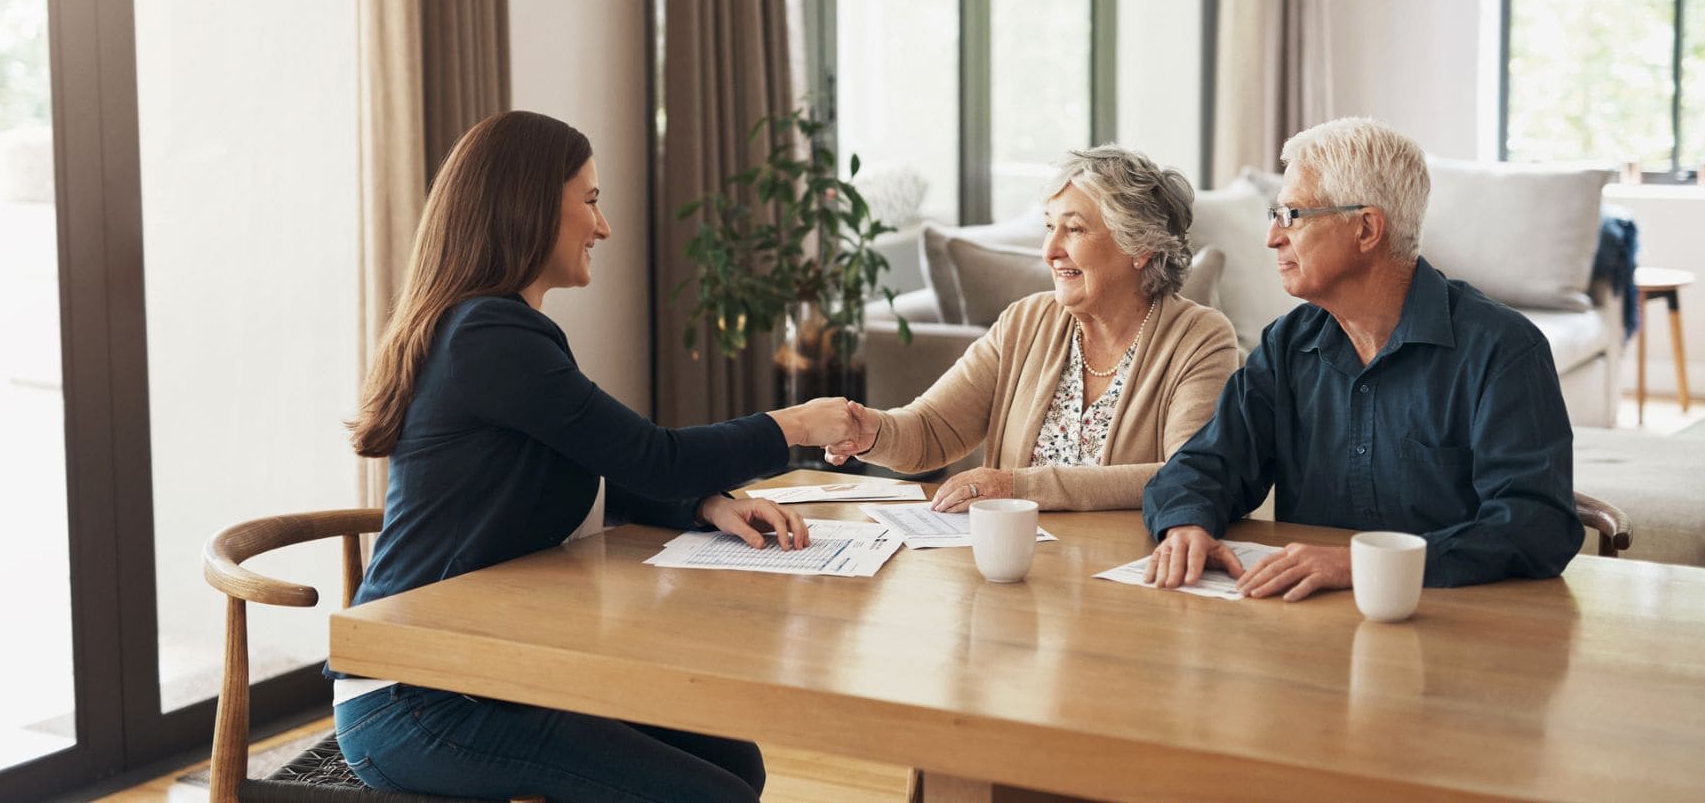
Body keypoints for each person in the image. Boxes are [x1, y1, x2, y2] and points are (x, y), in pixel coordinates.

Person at [331, 110, 860, 802]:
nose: (604, 228)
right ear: (527, 206)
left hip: (489, 670)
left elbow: (596, 471)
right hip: (421, 695)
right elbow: (653, 456)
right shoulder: (490, 336)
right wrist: (793, 423)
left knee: (736, 760)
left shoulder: (495, 328)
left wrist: (705, 504)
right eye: (590, 201)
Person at [1140, 117, 1582, 599]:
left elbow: (1537, 526)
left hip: (1457, 628)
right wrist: (1185, 524)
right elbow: (1206, 465)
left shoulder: (1503, 350)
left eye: (1291, 215)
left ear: (1367, 228)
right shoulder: (1287, 345)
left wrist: (1362, 565)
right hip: (1309, 627)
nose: (1272, 237)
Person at [826, 147, 1239, 512]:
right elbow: (933, 430)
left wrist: (1017, 486)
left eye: (1074, 229)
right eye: (1049, 227)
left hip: (1126, 570)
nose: (1050, 251)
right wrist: (871, 432)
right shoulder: (1025, 322)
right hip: (1016, 565)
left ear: (1140, 247)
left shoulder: (1200, 338)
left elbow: (1188, 474)